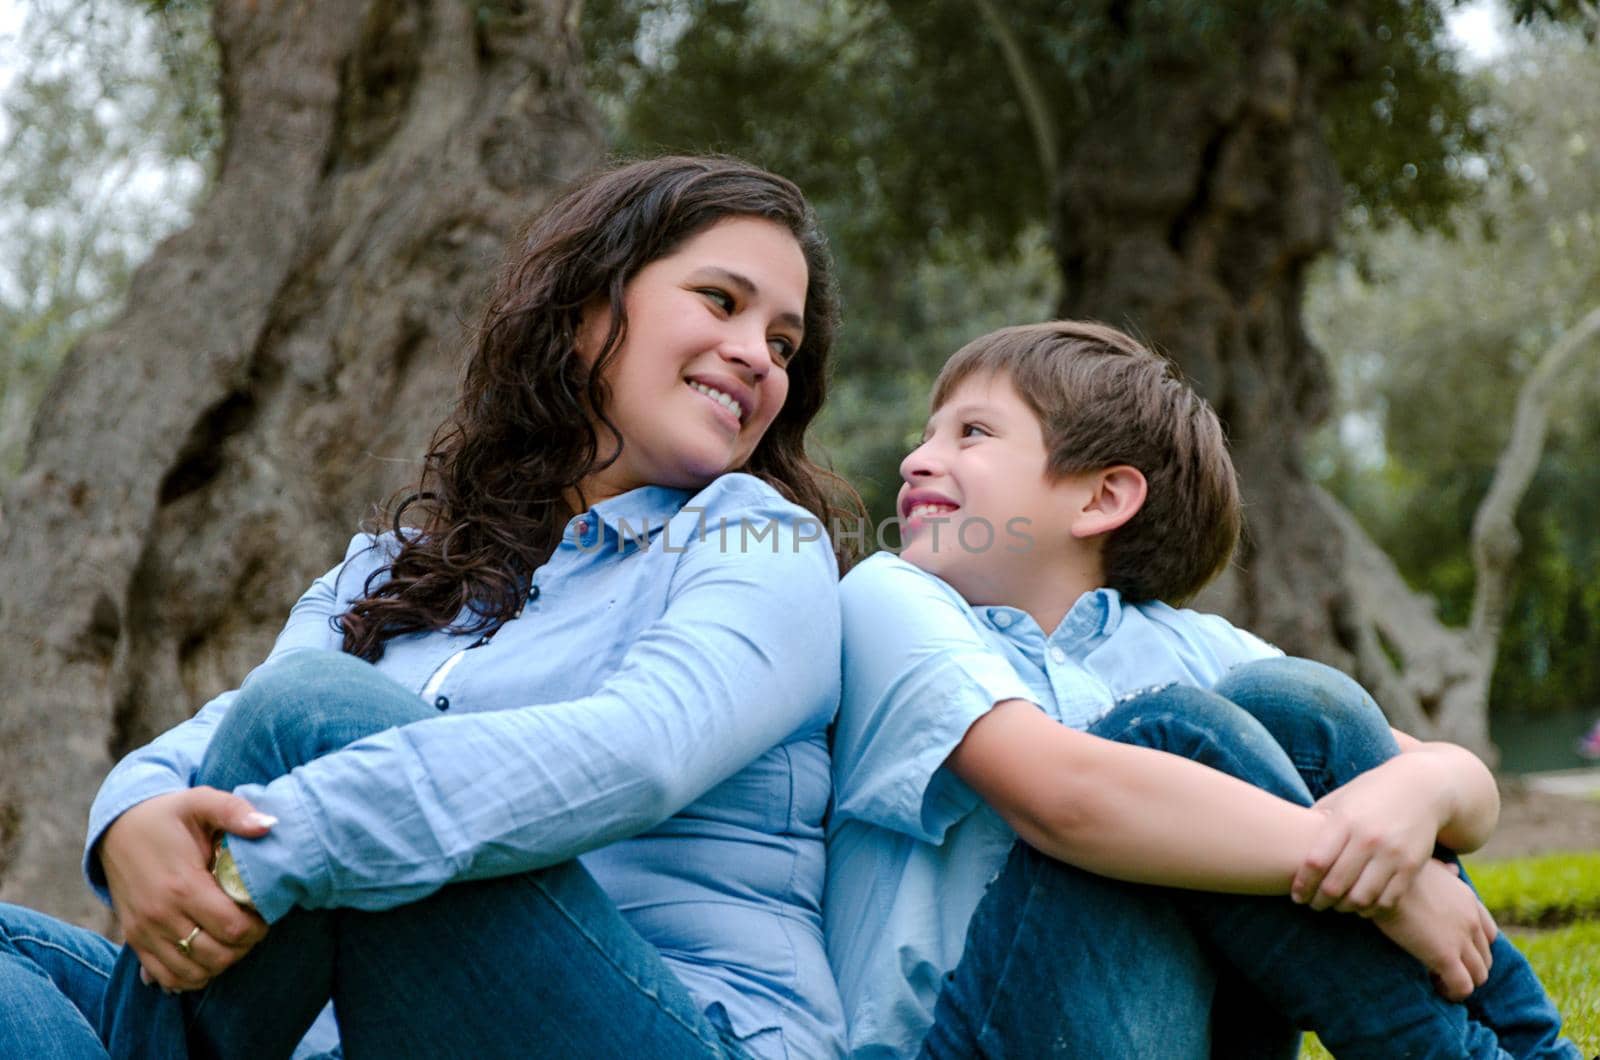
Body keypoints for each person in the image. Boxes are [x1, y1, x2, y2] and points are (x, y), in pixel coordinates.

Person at [0, 154, 860, 1059]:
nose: (757, 357)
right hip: (363, 1031)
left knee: (324, 713)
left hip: (674, 1027)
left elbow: (643, 747)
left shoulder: (762, 540)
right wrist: (131, 815)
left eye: (783, 345)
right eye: (723, 301)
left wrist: (282, 852)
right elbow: (231, 727)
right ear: (584, 312)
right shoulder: (398, 566)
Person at [826, 320, 1580, 1058]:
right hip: (973, 1037)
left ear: (1101, 499)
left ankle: (1530, 1046)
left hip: (1184, 1029)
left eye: (972, 434)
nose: (917, 460)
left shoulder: (1194, 645)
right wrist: (1390, 886)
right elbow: (1067, 800)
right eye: (926, 434)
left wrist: (1424, 792)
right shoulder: (889, 599)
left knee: (1302, 705)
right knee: (1164, 734)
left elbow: (1457, 792)